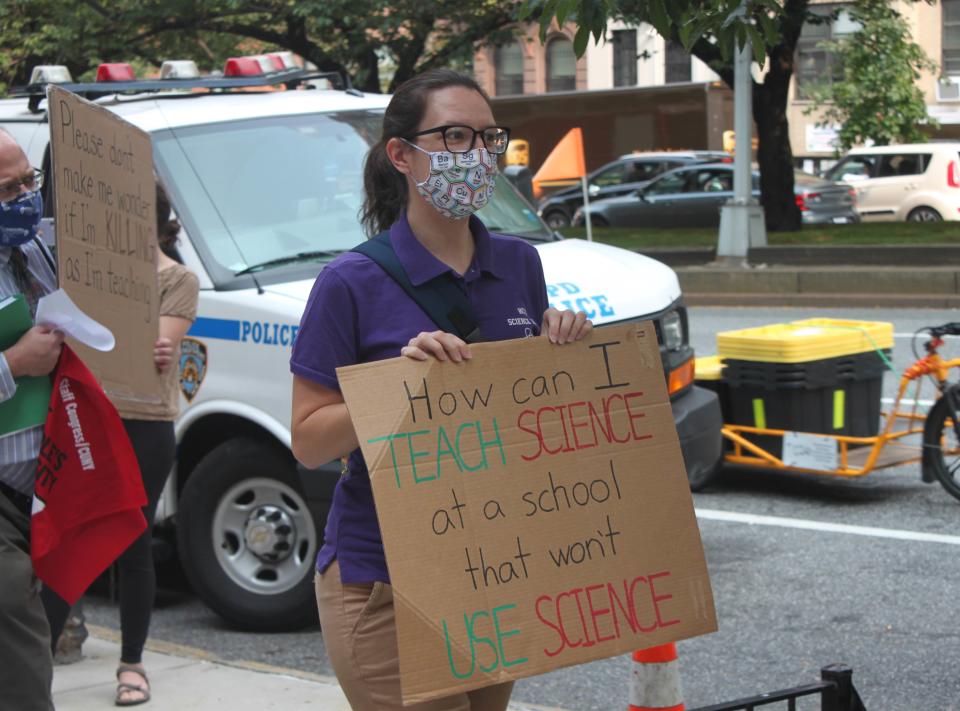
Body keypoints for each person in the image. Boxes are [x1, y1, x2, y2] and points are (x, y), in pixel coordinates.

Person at [290, 69, 592, 711]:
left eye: (488, 138)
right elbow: (309, 441)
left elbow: (528, 413)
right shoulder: (347, 283)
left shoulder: (520, 264)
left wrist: (562, 349)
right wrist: (399, 383)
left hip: (491, 566)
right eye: (455, 135)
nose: (476, 154)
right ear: (401, 155)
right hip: (384, 580)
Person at [105, 183, 199, 706]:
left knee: (132, 542)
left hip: (145, 421)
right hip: (90, 417)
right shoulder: (91, 276)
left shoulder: (178, 278)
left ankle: (132, 663)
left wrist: (157, 346)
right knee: (65, 535)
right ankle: (41, 651)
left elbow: (158, 348)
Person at [0, 128, 62, 711]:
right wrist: (13, 365)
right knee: (17, 627)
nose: (23, 198)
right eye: (7, 189)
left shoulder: (36, 248)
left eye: (28, 182)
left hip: (40, 489)